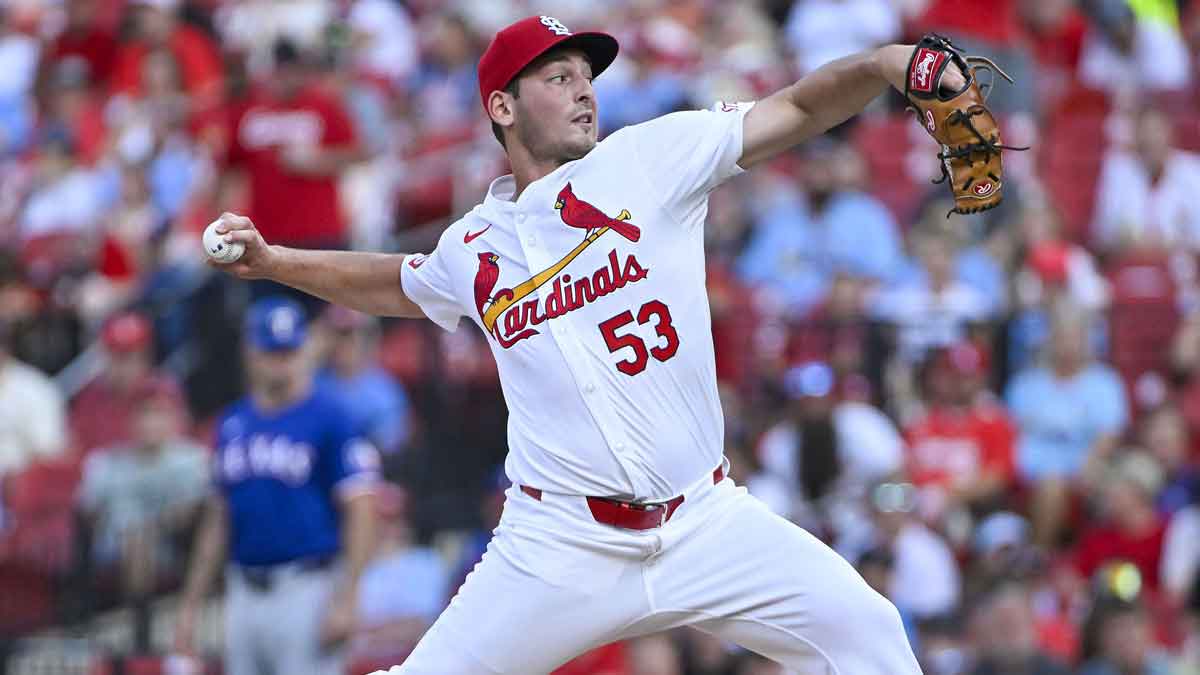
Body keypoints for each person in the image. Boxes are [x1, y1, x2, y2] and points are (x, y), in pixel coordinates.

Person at [204, 14, 964, 673]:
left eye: (586, 75)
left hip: (704, 519)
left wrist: (877, 65)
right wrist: (274, 261)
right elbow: (393, 283)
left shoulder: (651, 159)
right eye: (558, 77)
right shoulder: (474, 244)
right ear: (502, 106)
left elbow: (795, 107)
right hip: (559, 543)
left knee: (868, 632)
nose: (584, 90)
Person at [174, 297, 380, 675]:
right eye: (271, 352)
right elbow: (219, 518)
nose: (280, 362)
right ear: (250, 352)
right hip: (242, 589)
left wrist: (348, 596)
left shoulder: (331, 416)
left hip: (306, 587)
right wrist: (191, 603)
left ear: (304, 349)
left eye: (288, 351)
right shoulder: (232, 423)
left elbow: (362, 507)